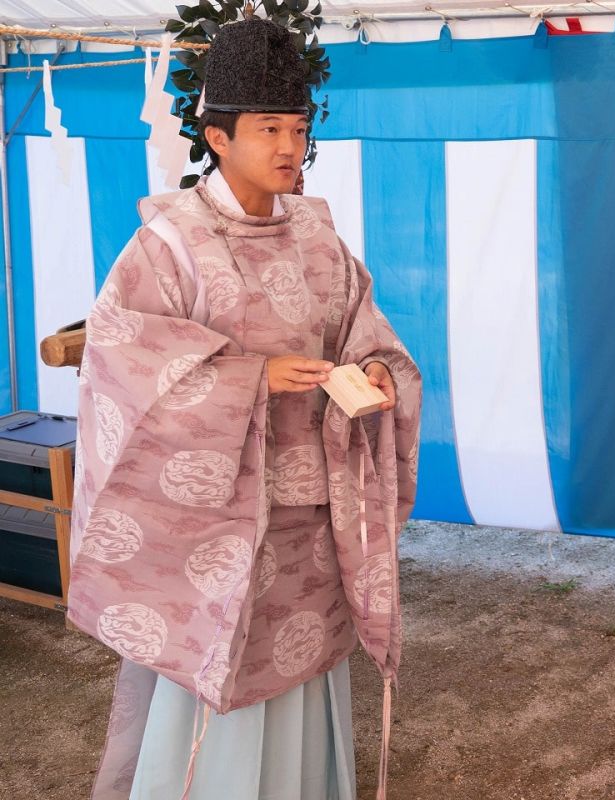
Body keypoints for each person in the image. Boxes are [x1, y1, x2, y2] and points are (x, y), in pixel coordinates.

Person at [67, 17, 421, 800]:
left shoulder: (318, 236)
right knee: (216, 677)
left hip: (309, 513)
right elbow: (121, 360)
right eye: (269, 130)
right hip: (217, 529)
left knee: (304, 670)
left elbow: (364, 327)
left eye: (298, 129)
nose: (290, 147)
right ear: (217, 136)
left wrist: (377, 370)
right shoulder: (172, 244)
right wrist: (250, 378)